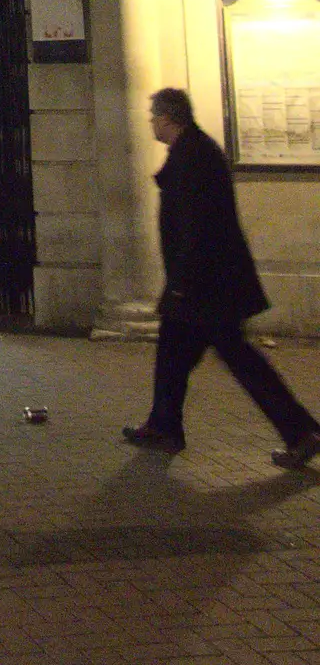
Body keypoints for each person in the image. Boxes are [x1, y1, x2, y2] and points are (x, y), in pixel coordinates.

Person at [123, 87, 320, 467]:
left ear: (168, 118)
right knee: (177, 355)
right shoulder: (195, 151)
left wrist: (180, 284)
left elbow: (198, 228)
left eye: (154, 116)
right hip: (208, 284)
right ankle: (164, 425)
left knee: (236, 360)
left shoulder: (194, 156)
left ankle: (301, 431)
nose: (150, 122)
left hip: (206, 287)